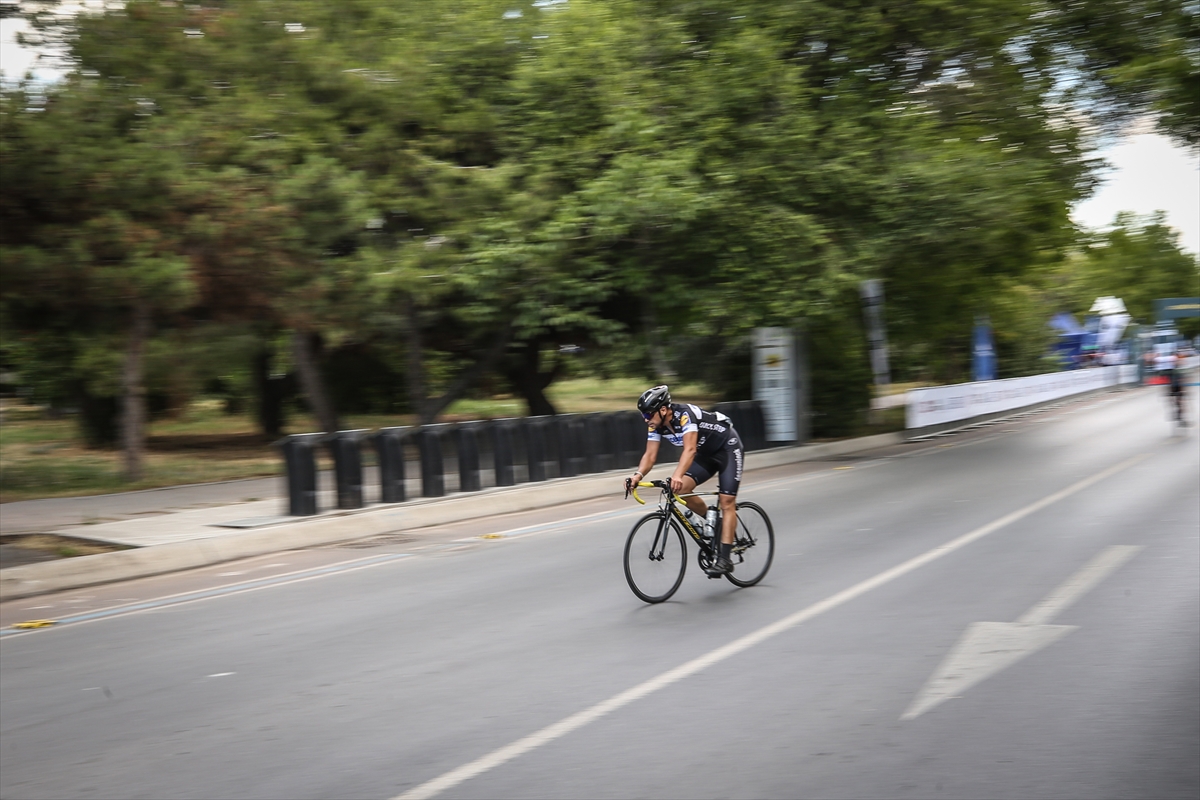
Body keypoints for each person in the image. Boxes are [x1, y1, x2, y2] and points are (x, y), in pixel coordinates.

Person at [624, 385, 744, 576]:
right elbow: (650, 455)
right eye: (643, 416)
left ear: (663, 410)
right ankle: (717, 524)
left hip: (727, 449)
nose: (646, 419)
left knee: (726, 501)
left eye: (648, 415)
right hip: (705, 456)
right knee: (680, 490)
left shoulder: (684, 415)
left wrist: (678, 475)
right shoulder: (656, 424)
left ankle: (725, 559)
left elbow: (689, 450)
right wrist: (637, 475)